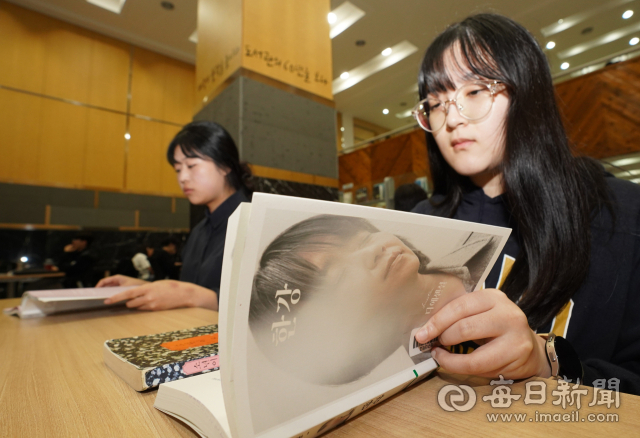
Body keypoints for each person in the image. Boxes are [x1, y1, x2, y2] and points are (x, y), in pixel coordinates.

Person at [409, 14, 640, 394]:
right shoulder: (423, 225)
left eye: (474, 91)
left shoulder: (621, 216)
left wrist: (547, 360)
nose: (451, 118)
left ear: (527, 92)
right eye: (435, 103)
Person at [248, 214, 500, 385]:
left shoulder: (492, 247)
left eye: (363, 238)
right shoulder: (429, 379)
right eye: (339, 275)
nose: (372, 250)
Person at [97, 121, 252, 311]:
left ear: (226, 165)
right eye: (178, 169)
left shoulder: (256, 223)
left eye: (191, 166)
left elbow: (264, 306)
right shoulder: (198, 232)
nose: (182, 178)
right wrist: (143, 288)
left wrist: (187, 294)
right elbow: (192, 291)